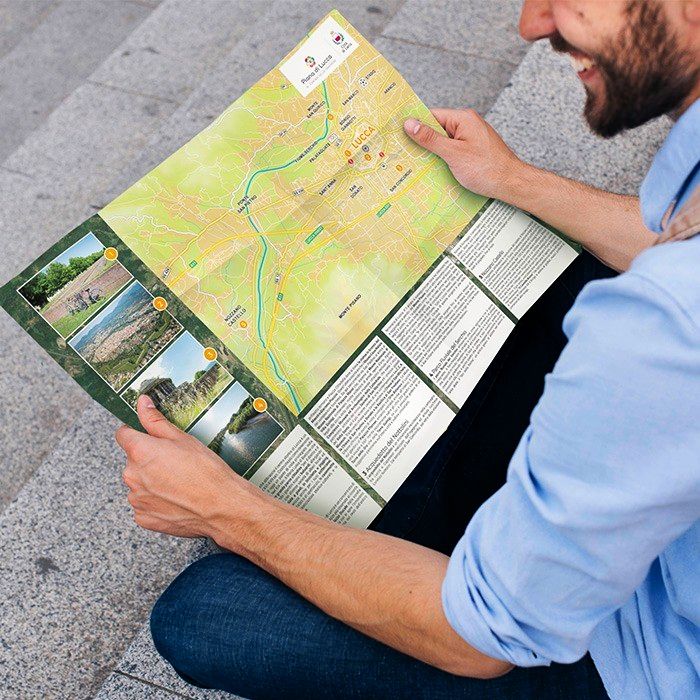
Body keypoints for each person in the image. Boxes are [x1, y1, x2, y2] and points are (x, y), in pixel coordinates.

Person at [115, 1, 700, 698]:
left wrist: (225, 511)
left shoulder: (659, 329)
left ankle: (436, 554)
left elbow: (484, 639)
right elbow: (677, 238)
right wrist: (515, 181)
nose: (533, 23)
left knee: (209, 613)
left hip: (647, 648)